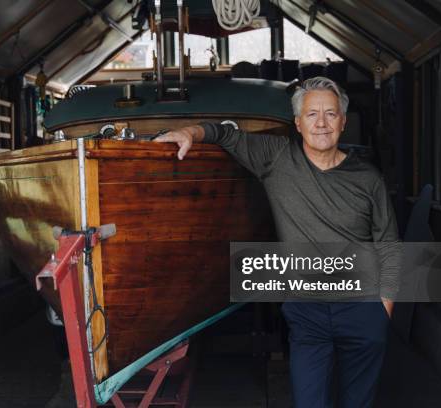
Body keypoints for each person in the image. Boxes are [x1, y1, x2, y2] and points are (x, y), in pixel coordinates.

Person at [154, 76, 401, 408]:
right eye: (312, 114)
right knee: (309, 401)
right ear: (298, 123)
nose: (322, 123)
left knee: (358, 402)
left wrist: (382, 311)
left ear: (343, 121)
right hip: (308, 312)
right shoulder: (277, 158)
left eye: (330, 114)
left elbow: (389, 244)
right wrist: (190, 133)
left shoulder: (368, 179)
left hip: (362, 308)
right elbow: (226, 134)